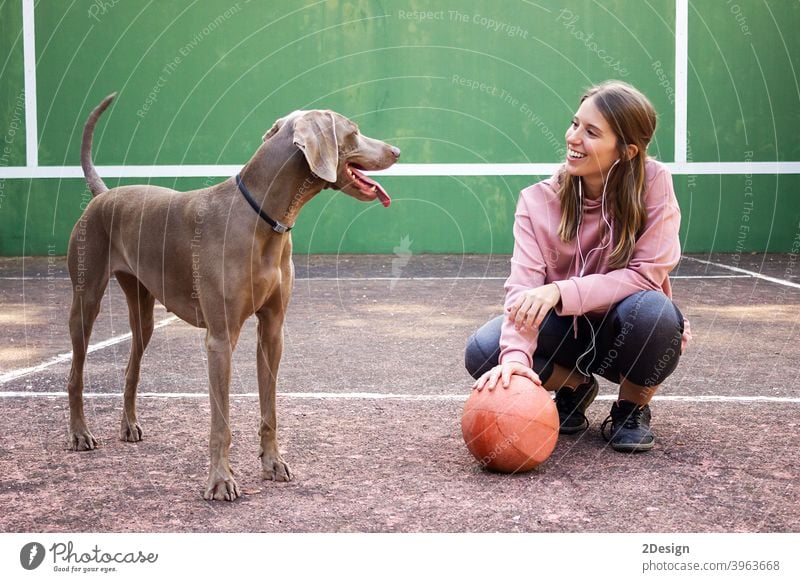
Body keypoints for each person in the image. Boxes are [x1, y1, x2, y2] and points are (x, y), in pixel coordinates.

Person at [465, 80, 690, 452]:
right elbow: (522, 289)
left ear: (627, 150)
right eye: (574, 124)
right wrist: (517, 362)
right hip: (566, 333)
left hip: (626, 328)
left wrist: (560, 290)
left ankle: (630, 408)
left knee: (655, 313)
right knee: (486, 352)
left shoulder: (655, 182)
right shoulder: (537, 200)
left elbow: (646, 275)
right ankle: (575, 386)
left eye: (591, 132)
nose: (573, 138)